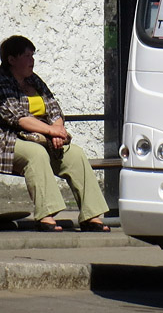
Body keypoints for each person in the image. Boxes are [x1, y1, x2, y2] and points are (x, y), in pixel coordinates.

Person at [0, 35, 111, 232]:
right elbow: (17, 117)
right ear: (11, 59)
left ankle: (91, 215)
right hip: (9, 140)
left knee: (75, 154)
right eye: (27, 56)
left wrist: (58, 132)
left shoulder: (34, 80)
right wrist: (52, 131)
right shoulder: (2, 81)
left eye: (33, 55)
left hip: (43, 137)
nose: (32, 60)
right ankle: (46, 215)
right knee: (36, 154)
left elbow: (54, 109)